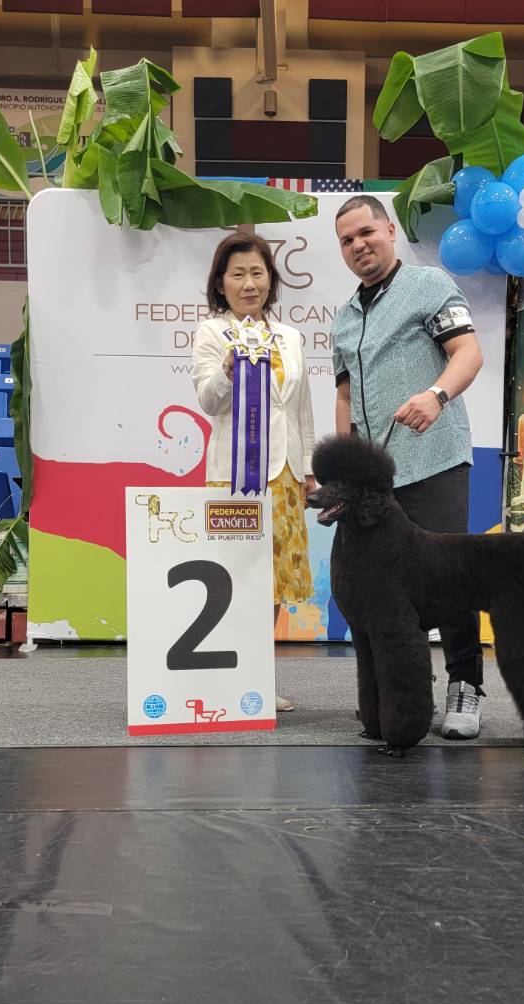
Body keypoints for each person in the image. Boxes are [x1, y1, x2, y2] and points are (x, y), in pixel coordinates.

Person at [331, 195, 486, 739]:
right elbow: (345, 398)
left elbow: (468, 353)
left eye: (366, 232)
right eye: (347, 240)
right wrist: (344, 468)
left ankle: (465, 686)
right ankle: (396, 694)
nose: (358, 245)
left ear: (390, 231)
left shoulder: (430, 285)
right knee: (379, 592)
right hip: (374, 485)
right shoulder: (343, 319)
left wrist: (436, 396)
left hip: (434, 458)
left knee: (451, 581)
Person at [192, 231, 317, 713]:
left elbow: (301, 409)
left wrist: (308, 469)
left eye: (257, 273)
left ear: (271, 279)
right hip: (233, 477)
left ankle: (256, 678)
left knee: (273, 582)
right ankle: (223, 676)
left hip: (284, 475)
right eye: (238, 274)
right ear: (220, 283)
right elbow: (208, 402)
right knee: (234, 576)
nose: (249, 284)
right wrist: (227, 369)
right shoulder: (211, 333)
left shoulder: (291, 338)